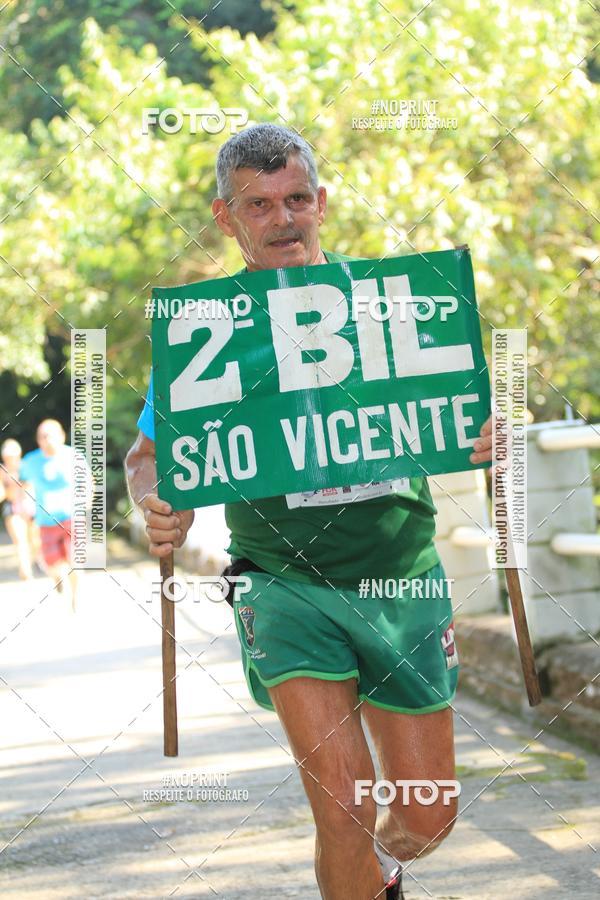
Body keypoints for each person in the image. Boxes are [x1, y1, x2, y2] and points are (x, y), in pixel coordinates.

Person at [125, 124, 494, 900]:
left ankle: (382, 870)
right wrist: (157, 500)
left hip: (402, 581)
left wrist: (495, 432)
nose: (282, 219)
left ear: (321, 202)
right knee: (344, 809)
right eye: (258, 205)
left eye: (295, 199)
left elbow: (472, 413)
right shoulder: (207, 331)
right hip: (281, 581)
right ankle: (358, 864)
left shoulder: (395, 305)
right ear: (226, 218)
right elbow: (148, 457)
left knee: (427, 817)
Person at [20, 419, 79, 608]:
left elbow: (88, 481)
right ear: (38, 440)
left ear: (62, 436)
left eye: (51, 435)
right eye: (43, 436)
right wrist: (25, 508)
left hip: (71, 518)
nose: (48, 440)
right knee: (51, 562)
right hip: (45, 522)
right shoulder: (30, 461)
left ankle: (75, 599)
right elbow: (23, 486)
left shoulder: (73, 456)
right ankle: (57, 577)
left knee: (74, 560)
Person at [0, 438, 39, 580]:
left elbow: (32, 486)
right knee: (20, 539)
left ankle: (35, 561)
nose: (10, 458)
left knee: (34, 540)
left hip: (29, 505)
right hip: (12, 507)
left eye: (12, 455)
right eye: (7, 455)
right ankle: (25, 570)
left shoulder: (26, 466)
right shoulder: (2, 470)